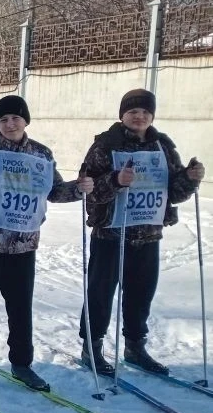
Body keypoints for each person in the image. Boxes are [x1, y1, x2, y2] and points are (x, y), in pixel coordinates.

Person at [0, 96, 93, 391]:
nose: (10, 124)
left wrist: (79, 189)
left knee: (21, 308)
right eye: (3, 120)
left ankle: (22, 364)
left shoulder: (41, 154)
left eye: (15, 118)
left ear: (25, 120)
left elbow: (54, 191)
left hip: (23, 245)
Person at [79, 89, 204, 376]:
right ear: (122, 114)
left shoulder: (162, 146)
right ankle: (92, 347)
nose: (140, 116)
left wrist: (188, 178)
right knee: (100, 294)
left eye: (146, 112)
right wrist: (116, 180)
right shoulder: (105, 145)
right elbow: (88, 191)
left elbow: (173, 192)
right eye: (133, 111)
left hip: (148, 233)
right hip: (111, 233)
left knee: (140, 294)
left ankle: (135, 346)